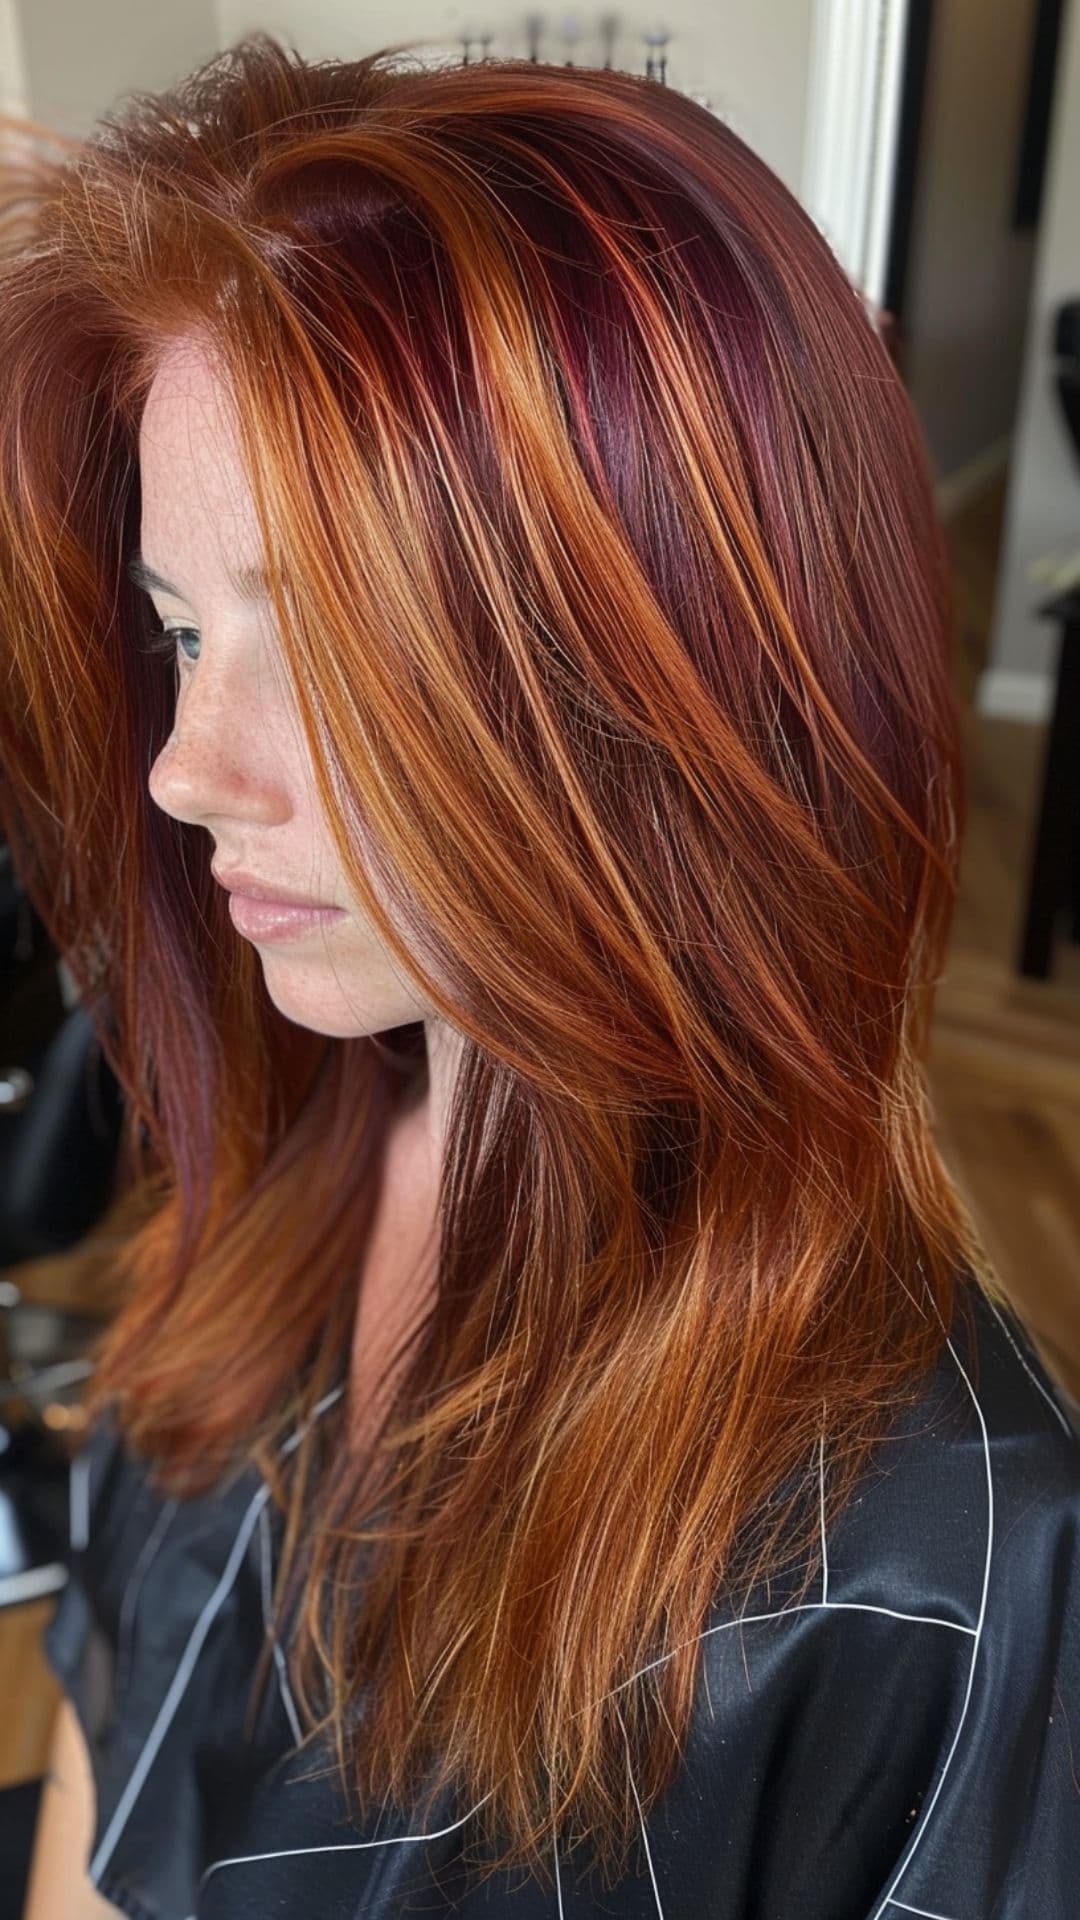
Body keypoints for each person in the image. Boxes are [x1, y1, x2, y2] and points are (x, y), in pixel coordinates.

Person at [0, 33, 1076, 1920]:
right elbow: (117, 1737)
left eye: (328, 646)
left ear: (667, 680)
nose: (185, 768)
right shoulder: (287, 1130)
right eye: (179, 630)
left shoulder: (940, 1574)